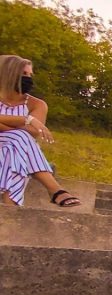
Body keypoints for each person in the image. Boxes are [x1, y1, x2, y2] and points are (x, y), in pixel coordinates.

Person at [0, 55, 81, 208]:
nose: (28, 78)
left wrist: (5, 125)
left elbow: (32, 133)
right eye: (24, 74)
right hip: (18, 147)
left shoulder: (37, 104)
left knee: (16, 145)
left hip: (13, 150)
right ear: (8, 74)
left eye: (30, 75)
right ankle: (55, 190)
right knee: (19, 137)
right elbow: (28, 128)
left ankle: (8, 209)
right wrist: (25, 120)